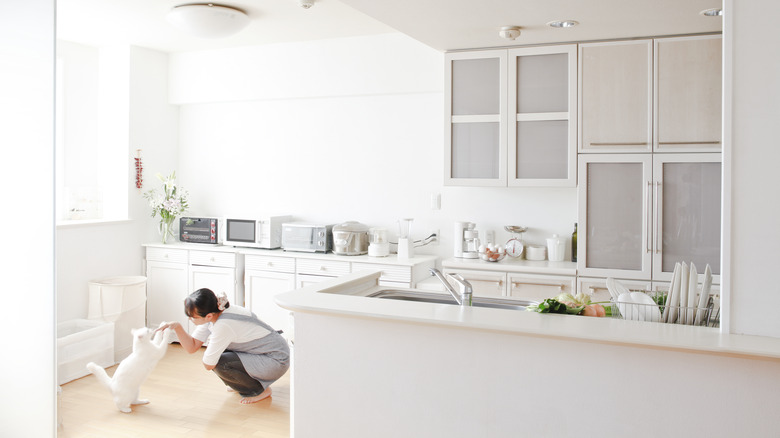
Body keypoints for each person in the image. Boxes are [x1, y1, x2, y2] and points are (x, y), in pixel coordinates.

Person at [157, 288, 290, 404]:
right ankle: (243, 383)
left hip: (276, 360)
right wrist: (177, 327)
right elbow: (192, 347)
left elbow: (208, 364)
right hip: (264, 353)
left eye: (192, 317)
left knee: (220, 363)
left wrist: (213, 350)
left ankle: (259, 390)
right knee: (220, 354)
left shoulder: (223, 325)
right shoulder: (215, 311)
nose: (190, 319)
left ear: (208, 315)